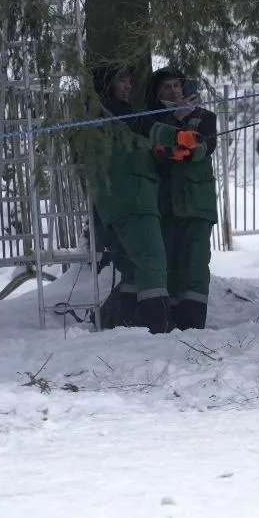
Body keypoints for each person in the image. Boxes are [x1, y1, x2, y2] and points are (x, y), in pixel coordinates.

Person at [86, 63, 173, 333]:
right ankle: (157, 324)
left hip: (116, 203)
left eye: (128, 81)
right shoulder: (116, 114)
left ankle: (123, 319)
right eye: (122, 81)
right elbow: (144, 125)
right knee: (151, 260)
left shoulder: (98, 117)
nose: (128, 86)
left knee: (132, 265)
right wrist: (178, 132)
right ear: (108, 86)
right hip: (134, 199)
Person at [145, 67, 218, 331]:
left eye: (177, 85)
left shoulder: (204, 116)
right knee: (171, 262)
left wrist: (189, 151)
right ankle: (171, 318)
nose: (173, 91)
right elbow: (155, 152)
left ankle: (194, 320)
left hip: (198, 202)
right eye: (167, 88)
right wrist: (172, 129)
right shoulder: (155, 120)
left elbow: (207, 144)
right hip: (166, 205)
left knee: (195, 263)